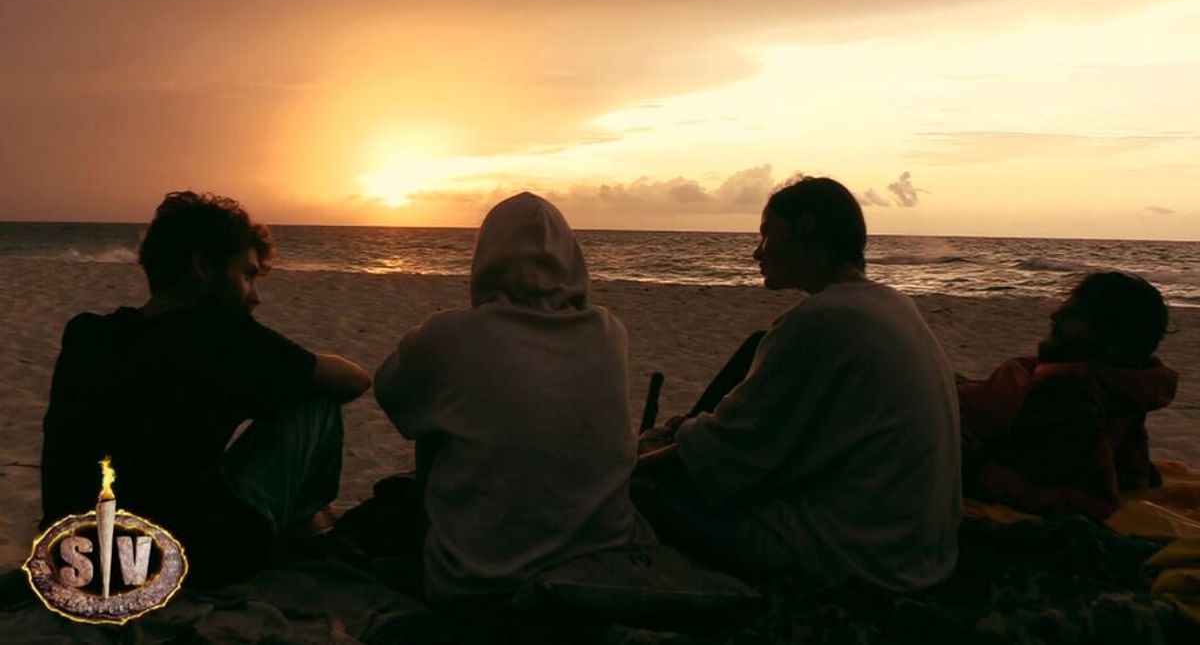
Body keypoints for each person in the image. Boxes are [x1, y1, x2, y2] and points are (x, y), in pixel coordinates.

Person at [635, 176, 961, 591]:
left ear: (806, 227)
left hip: (862, 554)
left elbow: (729, 454)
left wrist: (635, 465)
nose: (757, 252)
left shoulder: (820, 321)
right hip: (921, 546)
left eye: (767, 234)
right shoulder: (893, 303)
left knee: (647, 490)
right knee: (753, 352)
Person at [40, 191, 371, 585]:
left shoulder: (86, 334)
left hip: (73, 559)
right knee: (316, 400)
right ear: (202, 267)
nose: (256, 296)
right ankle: (305, 526)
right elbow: (355, 380)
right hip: (182, 560)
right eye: (247, 275)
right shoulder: (223, 337)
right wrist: (284, 369)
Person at [374, 192, 653, 602]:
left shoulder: (451, 334)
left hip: (475, 579)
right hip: (599, 566)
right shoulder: (609, 332)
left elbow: (392, 395)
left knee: (435, 418)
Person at [959, 271, 1177, 520]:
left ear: (1115, 342)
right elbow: (1134, 473)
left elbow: (1090, 502)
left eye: (1076, 315)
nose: (1056, 315)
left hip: (945, 420)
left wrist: (974, 469)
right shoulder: (1126, 381)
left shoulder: (1069, 395)